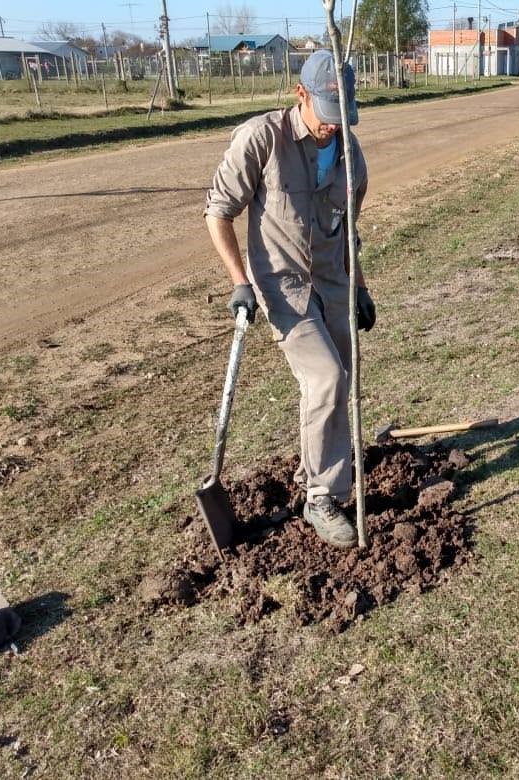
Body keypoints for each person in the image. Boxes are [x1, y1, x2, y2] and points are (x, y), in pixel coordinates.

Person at [203, 50, 375, 548]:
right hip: (284, 287)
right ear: (300, 94)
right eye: (325, 113)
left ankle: (318, 466)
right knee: (325, 378)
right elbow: (218, 213)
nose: (332, 127)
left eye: (342, 115)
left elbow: (350, 230)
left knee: (340, 383)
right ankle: (319, 497)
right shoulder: (262, 139)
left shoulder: (350, 152)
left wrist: (360, 287)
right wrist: (239, 281)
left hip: (334, 280)